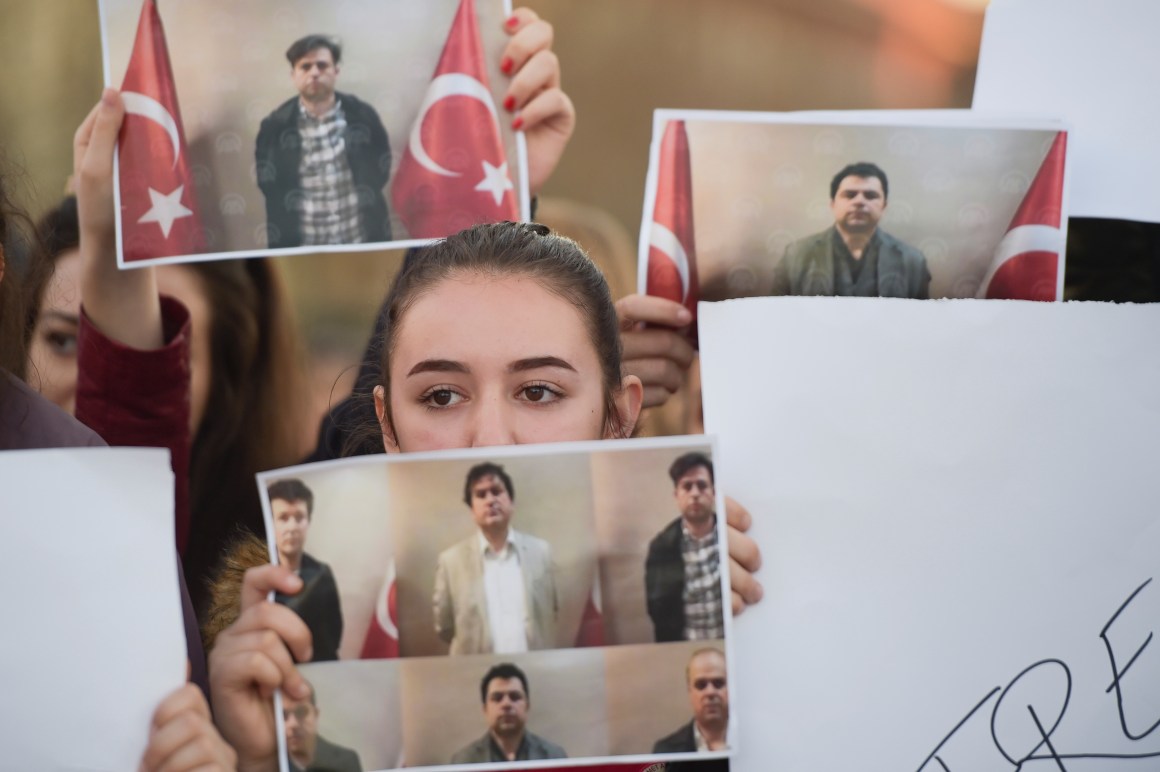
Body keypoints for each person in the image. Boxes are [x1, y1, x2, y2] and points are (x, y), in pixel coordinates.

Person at [21, 195, 310, 610]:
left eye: (154, 350)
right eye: (63, 340)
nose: (95, 383)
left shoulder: (283, 567)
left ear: (226, 380)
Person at [256, 35, 391, 248]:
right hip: (301, 249)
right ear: (294, 75)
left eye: (322, 65)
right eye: (305, 67)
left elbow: (380, 171)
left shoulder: (363, 116)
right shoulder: (274, 126)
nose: (315, 73)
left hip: (361, 241)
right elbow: (269, 185)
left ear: (336, 71)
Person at [434, 462, 558, 654]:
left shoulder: (541, 552)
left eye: (496, 491)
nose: (490, 500)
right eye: (481, 495)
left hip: (533, 667)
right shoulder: (450, 562)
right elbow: (445, 627)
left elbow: (552, 610)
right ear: (472, 510)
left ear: (511, 501)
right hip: (474, 672)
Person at [771, 161, 931, 298]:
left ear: (884, 206)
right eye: (849, 195)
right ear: (833, 204)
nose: (859, 201)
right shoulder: (796, 254)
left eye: (870, 195)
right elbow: (780, 317)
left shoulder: (912, 260)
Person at [645, 452, 724, 643]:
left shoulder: (732, 535)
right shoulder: (661, 548)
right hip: (685, 648)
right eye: (687, 487)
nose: (695, 493)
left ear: (714, 492)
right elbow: (658, 611)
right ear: (676, 496)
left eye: (702, 485)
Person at [269, 478, 343, 662]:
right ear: (271, 523)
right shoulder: (256, 576)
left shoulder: (322, 574)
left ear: (308, 521)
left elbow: (334, 632)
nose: (292, 527)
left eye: (299, 517)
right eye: (283, 518)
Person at [451, 663, 567, 763]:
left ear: (527, 706)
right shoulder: (464, 761)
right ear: (485, 709)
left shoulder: (554, 757)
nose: (506, 704)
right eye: (497, 698)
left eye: (515, 697)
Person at [653, 648, 730, 755]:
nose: (710, 692)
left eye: (718, 683)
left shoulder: (758, 741)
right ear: (690, 692)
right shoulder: (665, 751)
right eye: (701, 685)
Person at [283, 678, 362, 772]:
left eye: (301, 712)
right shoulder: (268, 763)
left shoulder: (346, 760)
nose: (293, 724)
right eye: (283, 715)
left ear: (315, 714)